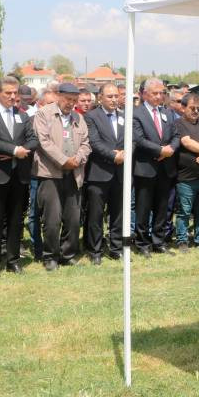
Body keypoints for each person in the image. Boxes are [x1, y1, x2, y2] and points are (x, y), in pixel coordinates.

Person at [0, 76, 38, 277]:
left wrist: (20, 151)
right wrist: (14, 150)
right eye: (7, 93)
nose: (12, 97)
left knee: (15, 220)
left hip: (19, 176)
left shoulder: (22, 115)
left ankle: (13, 260)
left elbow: (33, 140)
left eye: (15, 93)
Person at [33, 82, 91, 270]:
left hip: (74, 174)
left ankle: (68, 254)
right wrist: (63, 160)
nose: (70, 104)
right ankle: (50, 256)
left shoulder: (78, 117)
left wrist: (78, 158)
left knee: (73, 218)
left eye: (74, 101)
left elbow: (86, 143)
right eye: (67, 99)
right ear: (58, 96)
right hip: (50, 174)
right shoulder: (44, 114)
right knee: (52, 218)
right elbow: (43, 142)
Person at [132, 78, 180, 256]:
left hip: (165, 168)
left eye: (162, 93)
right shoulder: (136, 113)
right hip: (146, 168)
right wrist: (160, 150)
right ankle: (142, 243)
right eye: (155, 93)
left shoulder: (167, 112)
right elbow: (138, 138)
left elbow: (176, 135)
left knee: (162, 208)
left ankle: (158, 242)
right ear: (144, 94)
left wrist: (171, 149)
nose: (159, 96)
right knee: (143, 208)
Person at [83, 83, 125, 264]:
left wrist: (125, 153)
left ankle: (116, 249)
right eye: (110, 96)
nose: (114, 99)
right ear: (100, 98)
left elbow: (132, 139)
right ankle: (95, 251)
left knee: (118, 214)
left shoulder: (125, 116)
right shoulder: (91, 117)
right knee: (96, 215)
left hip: (120, 173)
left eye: (116, 96)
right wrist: (114, 156)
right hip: (99, 174)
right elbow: (94, 141)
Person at [174, 92, 199, 251]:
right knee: (184, 212)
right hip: (186, 178)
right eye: (192, 108)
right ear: (183, 108)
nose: (196, 111)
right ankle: (182, 241)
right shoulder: (179, 123)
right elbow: (187, 142)